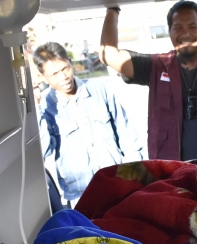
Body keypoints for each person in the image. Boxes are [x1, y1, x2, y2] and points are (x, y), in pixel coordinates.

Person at [99, 1, 197, 160]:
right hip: (171, 173)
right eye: (178, 27)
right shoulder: (157, 66)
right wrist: (113, 9)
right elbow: (109, 56)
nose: (185, 33)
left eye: (193, 27)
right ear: (170, 32)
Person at [34, 43, 145, 207]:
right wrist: (36, 109)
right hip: (80, 197)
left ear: (70, 62)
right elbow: (43, 152)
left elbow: (127, 136)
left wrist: (134, 179)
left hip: (118, 187)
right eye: (54, 74)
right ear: (43, 77)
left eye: (65, 68)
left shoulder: (99, 90)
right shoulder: (45, 109)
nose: (63, 77)